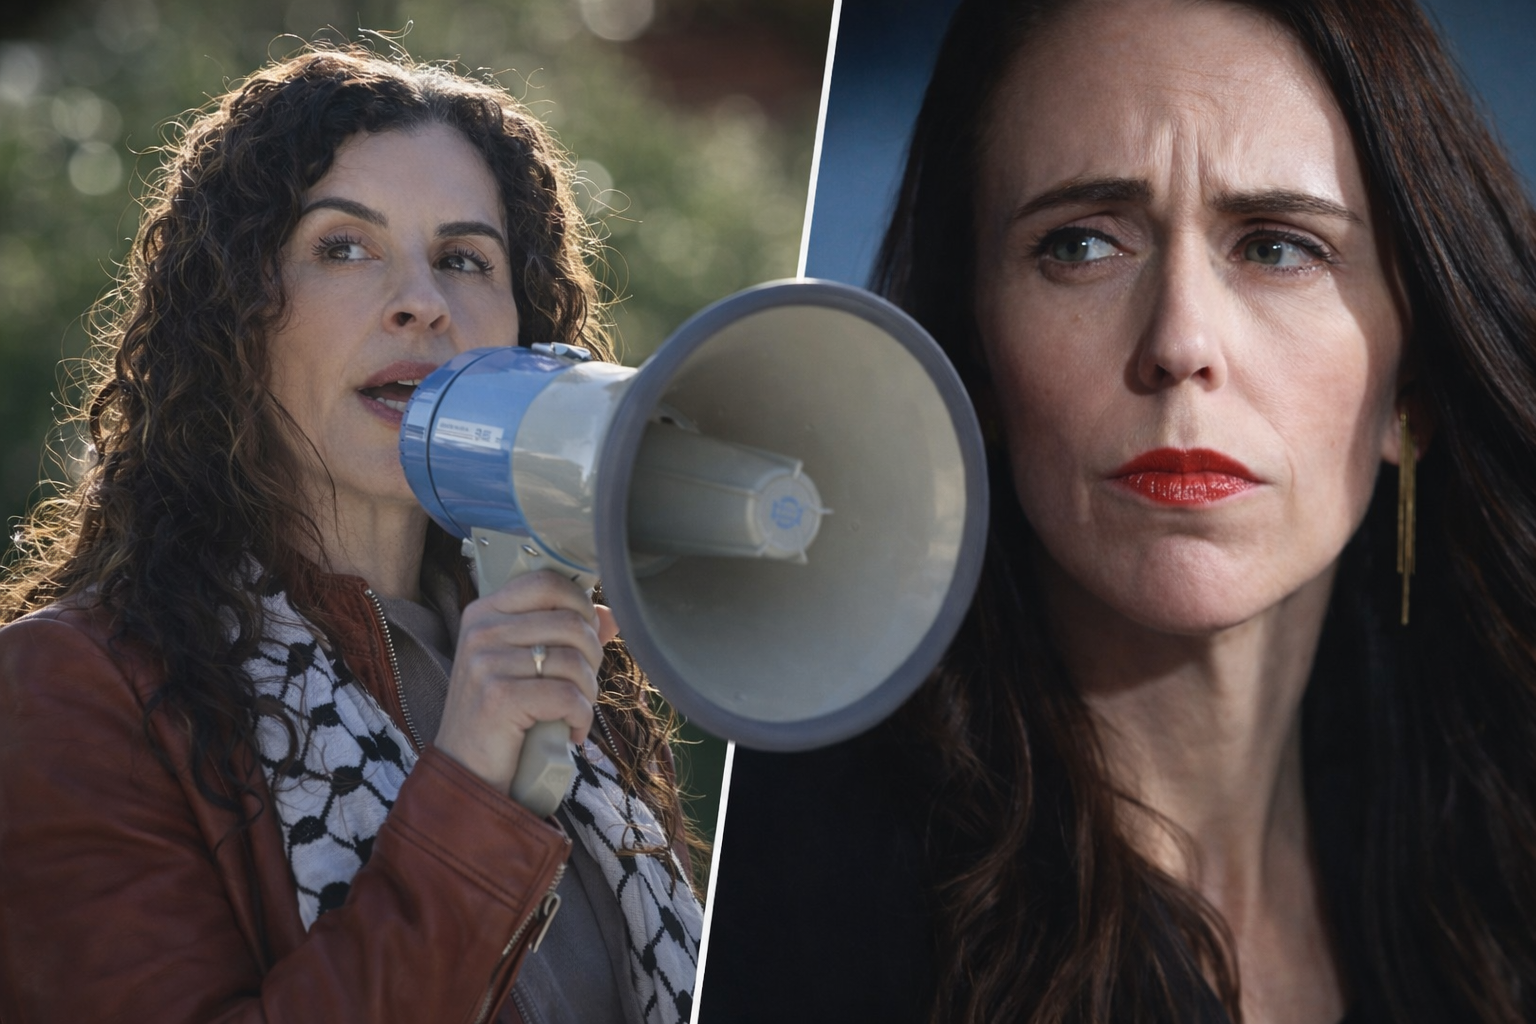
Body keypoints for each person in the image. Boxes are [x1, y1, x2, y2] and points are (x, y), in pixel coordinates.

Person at [701, 0, 1536, 1022]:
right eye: (1082, 245)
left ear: (1415, 392)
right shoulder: (779, 900)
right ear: (976, 359)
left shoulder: (1497, 858)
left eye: (1277, 248)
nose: (1181, 339)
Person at [0, 46, 703, 1024]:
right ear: (240, 319)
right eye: (344, 247)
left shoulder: (564, 668)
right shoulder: (70, 693)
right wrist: (465, 792)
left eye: (465, 259)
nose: (423, 301)